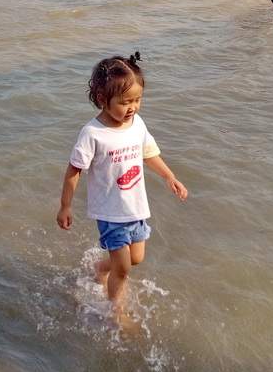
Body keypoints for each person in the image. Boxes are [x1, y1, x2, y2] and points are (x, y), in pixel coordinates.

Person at [57, 53, 187, 320]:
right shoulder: (92, 134)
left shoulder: (136, 124)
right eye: (125, 102)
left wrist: (169, 176)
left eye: (137, 100)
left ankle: (100, 267)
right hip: (110, 212)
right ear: (103, 100)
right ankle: (117, 312)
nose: (133, 107)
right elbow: (74, 170)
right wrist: (65, 206)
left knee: (136, 258)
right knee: (124, 269)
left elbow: (148, 153)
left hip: (136, 207)